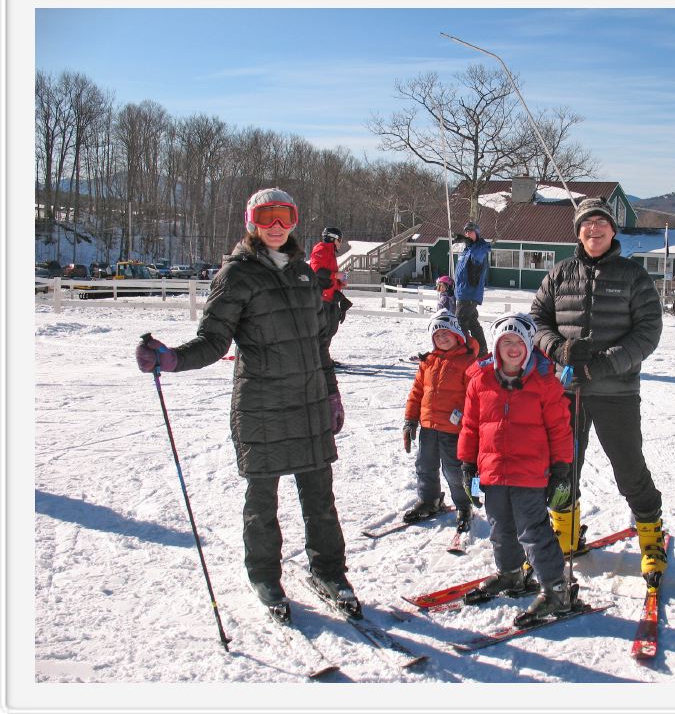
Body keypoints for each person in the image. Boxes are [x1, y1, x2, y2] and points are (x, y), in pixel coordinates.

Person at [134, 187, 359, 620]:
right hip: (261, 404)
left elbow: (317, 341)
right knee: (263, 503)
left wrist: (330, 390)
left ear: (295, 221)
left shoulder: (302, 272)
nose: (276, 225)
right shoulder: (236, 275)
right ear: (250, 222)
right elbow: (214, 340)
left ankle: (330, 571)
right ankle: (265, 576)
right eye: (266, 216)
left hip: (309, 400)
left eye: (285, 215)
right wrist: (172, 358)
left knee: (320, 500)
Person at [530, 195, 666, 587]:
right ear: (578, 231)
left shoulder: (633, 276)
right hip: (566, 390)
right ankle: (566, 534)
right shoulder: (559, 274)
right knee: (562, 466)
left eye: (601, 222)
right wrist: (559, 349)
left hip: (616, 391)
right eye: (587, 223)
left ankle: (651, 540)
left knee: (629, 468)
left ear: (612, 229)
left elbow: (648, 332)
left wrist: (604, 363)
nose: (594, 228)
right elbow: (537, 320)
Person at [459, 313, 577, 624]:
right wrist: (468, 463)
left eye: (518, 342)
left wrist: (562, 468)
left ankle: (556, 590)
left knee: (533, 532)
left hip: (530, 473)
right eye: (505, 342)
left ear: (528, 346)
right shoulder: (480, 382)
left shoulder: (545, 384)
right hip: (493, 470)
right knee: (500, 528)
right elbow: (470, 427)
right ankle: (510, 574)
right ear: (496, 347)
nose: (513, 348)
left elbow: (561, 429)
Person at [401, 310, 480, 535]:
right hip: (428, 427)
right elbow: (416, 392)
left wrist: (464, 417)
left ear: (457, 335)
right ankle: (429, 500)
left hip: (454, 430)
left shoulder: (468, 362)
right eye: (437, 335)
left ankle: (464, 505)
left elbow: (474, 396)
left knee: (455, 471)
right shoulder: (428, 361)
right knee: (424, 466)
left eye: (446, 333)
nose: (442, 338)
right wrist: (410, 420)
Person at [454, 221, 491, 359]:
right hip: (463, 293)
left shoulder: (479, 248)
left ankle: (465, 350)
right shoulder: (466, 251)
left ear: (477, 233)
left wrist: (469, 242)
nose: (468, 234)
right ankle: (482, 351)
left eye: (471, 231)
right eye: (466, 232)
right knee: (472, 323)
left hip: (469, 294)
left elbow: (478, 256)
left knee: (458, 322)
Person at [309, 227, 353, 338]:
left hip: (331, 299)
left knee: (331, 330)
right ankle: (318, 355)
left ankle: (323, 355)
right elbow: (316, 270)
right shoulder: (321, 249)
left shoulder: (331, 253)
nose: (341, 243)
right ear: (333, 239)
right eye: (340, 240)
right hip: (322, 299)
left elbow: (330, 276)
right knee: (322, 333)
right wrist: (336, 275)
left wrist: (341, 281)